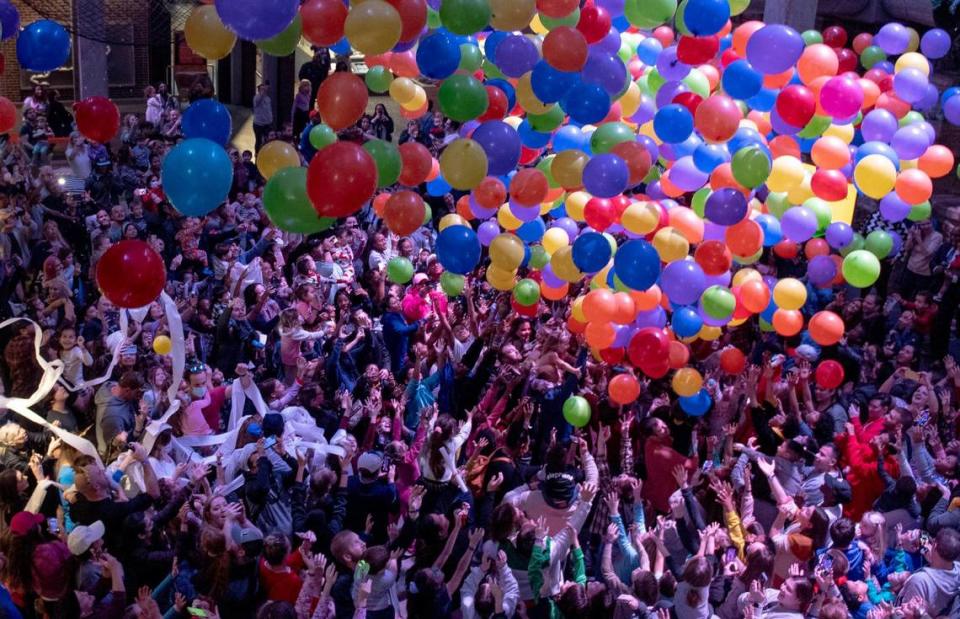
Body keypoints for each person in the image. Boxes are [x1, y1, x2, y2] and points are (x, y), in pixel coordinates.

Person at [253, 83, 273, 153]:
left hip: (267, 123)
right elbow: (258, 101)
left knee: (268, 139)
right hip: (258, 124)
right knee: (258, 140)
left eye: (265, 89)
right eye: (262, 89)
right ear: (259, 90)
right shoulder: (256, 98)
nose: (264, 91)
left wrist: (270, 120)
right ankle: (257, 153)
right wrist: (262, 93)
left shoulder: (268, 98)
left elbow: (269, 110)